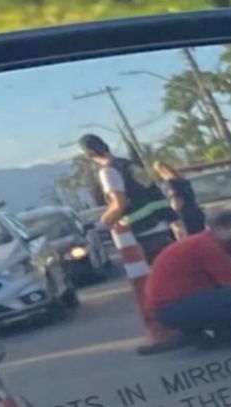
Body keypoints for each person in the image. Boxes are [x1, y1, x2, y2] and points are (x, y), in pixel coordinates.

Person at [79, 134, 186, 355]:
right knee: (169, 279)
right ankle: (183, 325)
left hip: (142, 233)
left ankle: (167, 331)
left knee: (151, 284)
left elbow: (118, 203)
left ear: (89, 155)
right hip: (161, 225)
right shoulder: (131, 165)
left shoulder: (108, 171)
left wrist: (105, 219)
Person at [145, 211, 231, 350]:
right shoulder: (209, 246)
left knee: (227, 297)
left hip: (167, 308)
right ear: (220, 228)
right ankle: (219, 331)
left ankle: (200, 332)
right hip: (174, 307)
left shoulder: (199, 242)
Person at [153, 160, 206, 235]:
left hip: (184, 218)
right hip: (196, 213)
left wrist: (171, 214)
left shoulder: (169, 184)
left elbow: (176, 202)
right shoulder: (183, 181)